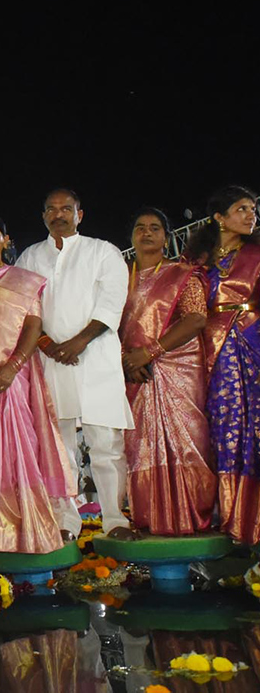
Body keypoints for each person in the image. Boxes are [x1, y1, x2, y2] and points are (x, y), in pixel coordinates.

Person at [0, 213, 75, 552]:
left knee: (16, 449)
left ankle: (24, 527)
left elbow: (33, 326)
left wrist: (11, 367)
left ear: (6, 240)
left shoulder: (22, 280)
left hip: (11, 378)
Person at [17, 189, 130, 538]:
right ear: (43, 216)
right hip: (49, 358)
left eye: (66, 208)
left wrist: (79, 341)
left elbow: (113, 302)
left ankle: (114, 520)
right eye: (51, 209)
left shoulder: (103, 251)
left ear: (80, 214)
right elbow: (21, 306)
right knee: (58, 443)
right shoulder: (30, 256)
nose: (59, 214)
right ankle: (66, 521)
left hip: (96, 357)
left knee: (105, 442)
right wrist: (48, 343)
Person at [118, 207, 214, 538]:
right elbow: (106, 327)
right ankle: (150, 519)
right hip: (135, 375)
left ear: (166, 237)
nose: (146, 233)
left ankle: (194, 520)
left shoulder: (181, 273)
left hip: (178, 369)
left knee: (189, 441)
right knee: (140, 446)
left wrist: (151, 352)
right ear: (131, 236)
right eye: (140, 227)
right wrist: (125, 360)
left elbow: (196, 319)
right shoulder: (118, 280)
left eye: (155, 228)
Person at [185, 185, 259, 546]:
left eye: (253, 209)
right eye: (242, 208)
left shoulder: (257, 254)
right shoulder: (197, 261)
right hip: (204, 350)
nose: (251, 215)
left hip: (252, 344)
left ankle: (251, 521)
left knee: (251, 428)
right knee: (217, 428)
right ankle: (224, 516)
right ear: (219, 217)